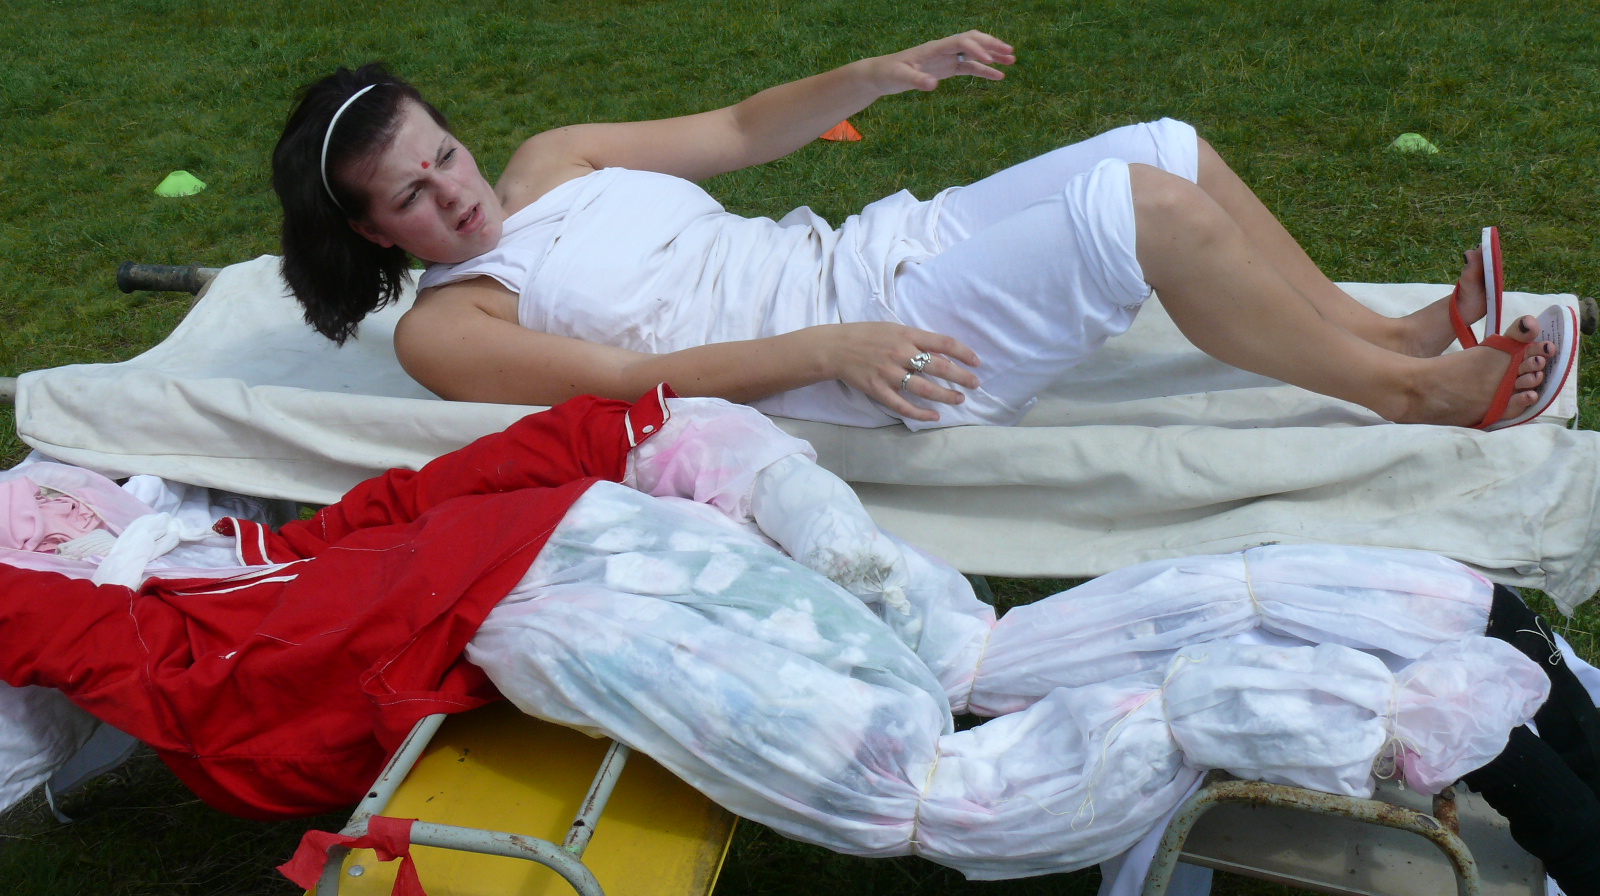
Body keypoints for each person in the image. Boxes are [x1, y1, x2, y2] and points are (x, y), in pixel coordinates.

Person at [0, 393, 1589, 891]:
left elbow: (430, 492)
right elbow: (232, 700)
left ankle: (1444, 623)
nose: (83, 514)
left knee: (966, 667)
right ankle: (1416, 702)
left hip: (628, 547)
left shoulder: (271, 554)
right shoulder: (187, 660)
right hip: (566, 619)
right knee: (930, 766)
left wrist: (663, 434)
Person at [270, 32, 1569, 432]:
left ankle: (1384, 331)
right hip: (860, 360)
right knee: (1143, 213)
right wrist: (829, 347)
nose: (454, 192)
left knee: (1164, 143)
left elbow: (737, 128)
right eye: (412, 197)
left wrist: (879, 73)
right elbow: (629, 383)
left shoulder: (556, 160)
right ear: (372, 233)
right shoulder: (450, 329)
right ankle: (1415, 396)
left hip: (871, 253)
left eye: (442, 153)